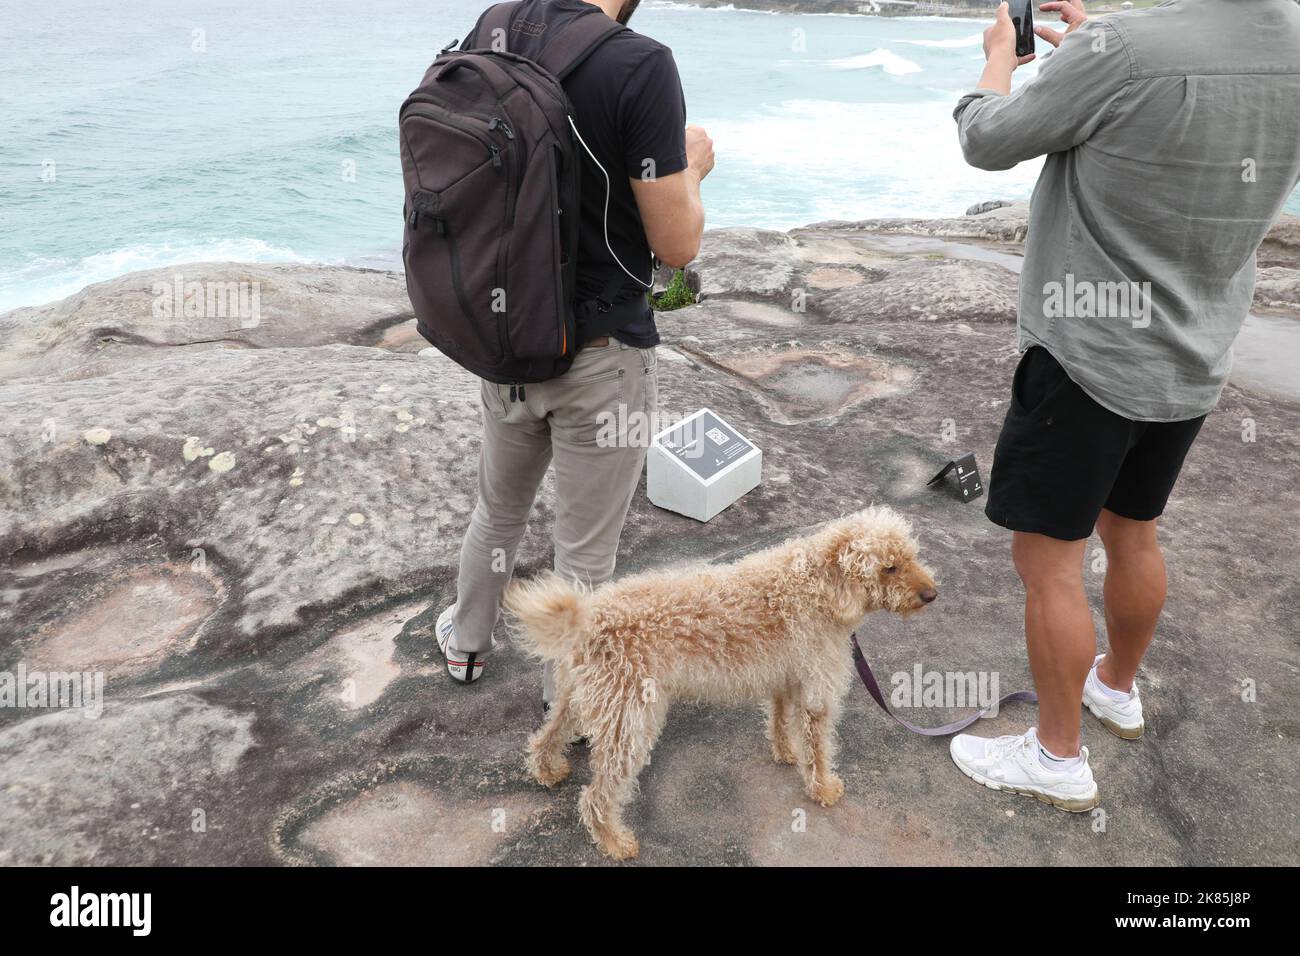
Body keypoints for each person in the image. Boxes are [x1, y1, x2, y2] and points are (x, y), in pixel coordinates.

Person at [949, 0, 1300, 809]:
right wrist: (1108, 47)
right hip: (1195, 349)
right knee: (1134, 532)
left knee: (1049, 562)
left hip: (1087, 355)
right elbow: (1188, 98)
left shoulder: (1122, 45)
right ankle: (1116, 687)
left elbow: (986, 139)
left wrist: (1001, 55)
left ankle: (1057, 757)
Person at [435, 0, 715, 702]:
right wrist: (694, 170)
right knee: (585, 551)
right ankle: (574, 699)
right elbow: (676, 246)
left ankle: (467, 645)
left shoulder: (492, 26)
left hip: (506, 334)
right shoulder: (639, 62)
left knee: (497, 512)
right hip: (602, 352)